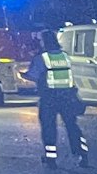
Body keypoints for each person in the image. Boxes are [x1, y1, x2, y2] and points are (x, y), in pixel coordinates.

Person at [25, 30, 88, 167]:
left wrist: (23, 75)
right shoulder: (65, 56)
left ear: (44, 42)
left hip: (49, 98)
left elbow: (33, 76)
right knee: (72, 126)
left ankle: (51, 159)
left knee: (49, 128)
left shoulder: (42, 58)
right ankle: (82, 154)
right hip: (68, 96)